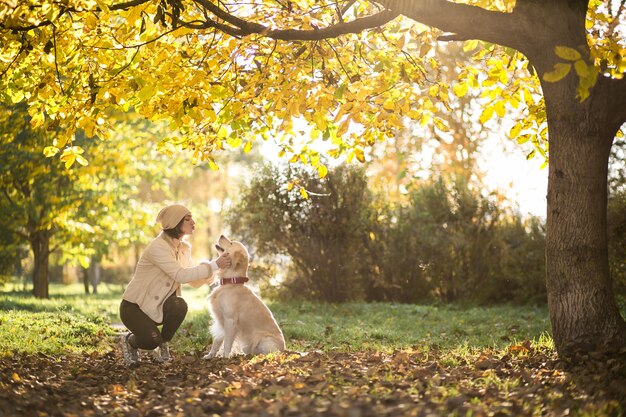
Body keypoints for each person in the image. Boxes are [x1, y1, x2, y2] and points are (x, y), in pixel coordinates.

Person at [119, 203, 231, 365]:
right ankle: (130, 341)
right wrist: (214, 265)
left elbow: (193, 280)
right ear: (174, 223)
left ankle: (162, 343)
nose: (193, 222)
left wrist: (215, 270)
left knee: (179, 304)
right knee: (150, 342)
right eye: (187, 219)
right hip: (135, 308)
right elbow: (181, 275)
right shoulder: (158, 247)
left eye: (192, 218)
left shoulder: (182, 248)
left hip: (159, 306)